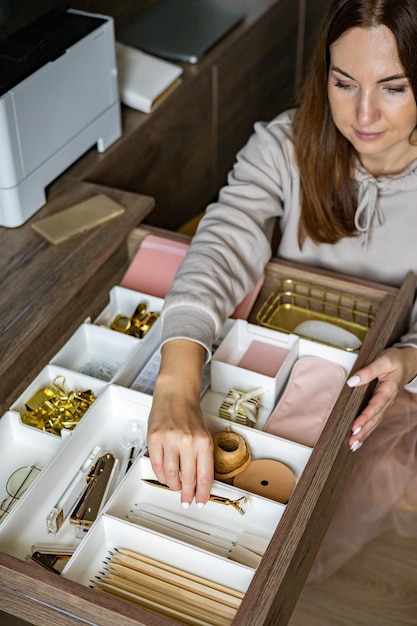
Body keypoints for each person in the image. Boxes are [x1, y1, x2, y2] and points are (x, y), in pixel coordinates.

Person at [147, 0, 417, 583]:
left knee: (317, 525)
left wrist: (411, 356)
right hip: (281, 359)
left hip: (384, 393)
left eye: (393, 87)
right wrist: (175, 380)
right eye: (344, 83)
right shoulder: (283, 144)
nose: (363, 113)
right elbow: (222, 241)